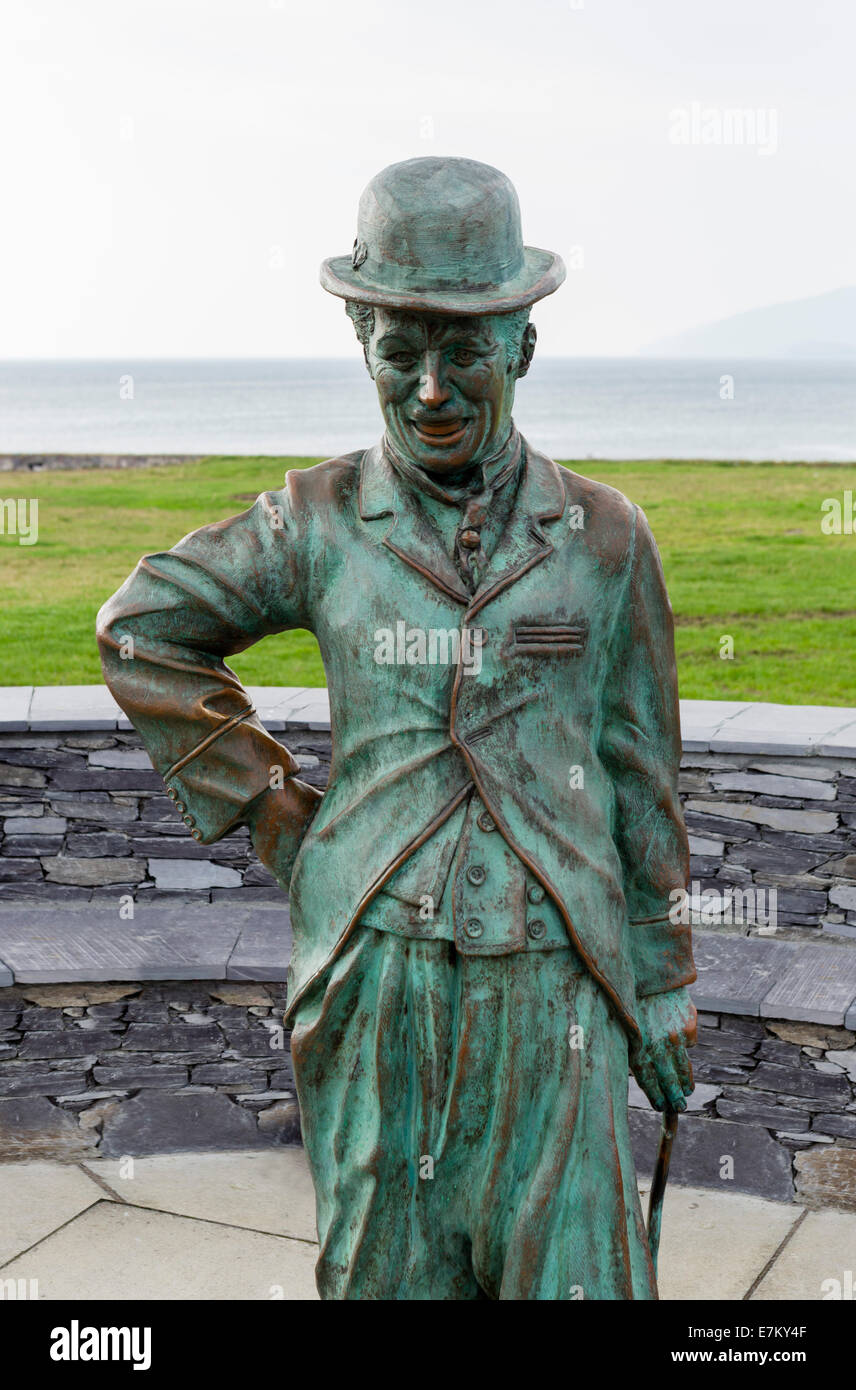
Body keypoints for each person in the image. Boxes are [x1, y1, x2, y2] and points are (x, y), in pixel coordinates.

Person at [97, 156, 696, 1300]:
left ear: (521, 347)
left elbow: (638, 777)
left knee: (574, 1278)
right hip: (380, 987)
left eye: (463, 349)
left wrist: (663, 978)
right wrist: (276, 809)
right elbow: (142, 630)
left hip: (554, 986)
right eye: (400, 348)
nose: (430, 388)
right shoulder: (318, 522)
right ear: (361, 345)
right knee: (386, 1279)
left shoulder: (606, 539)